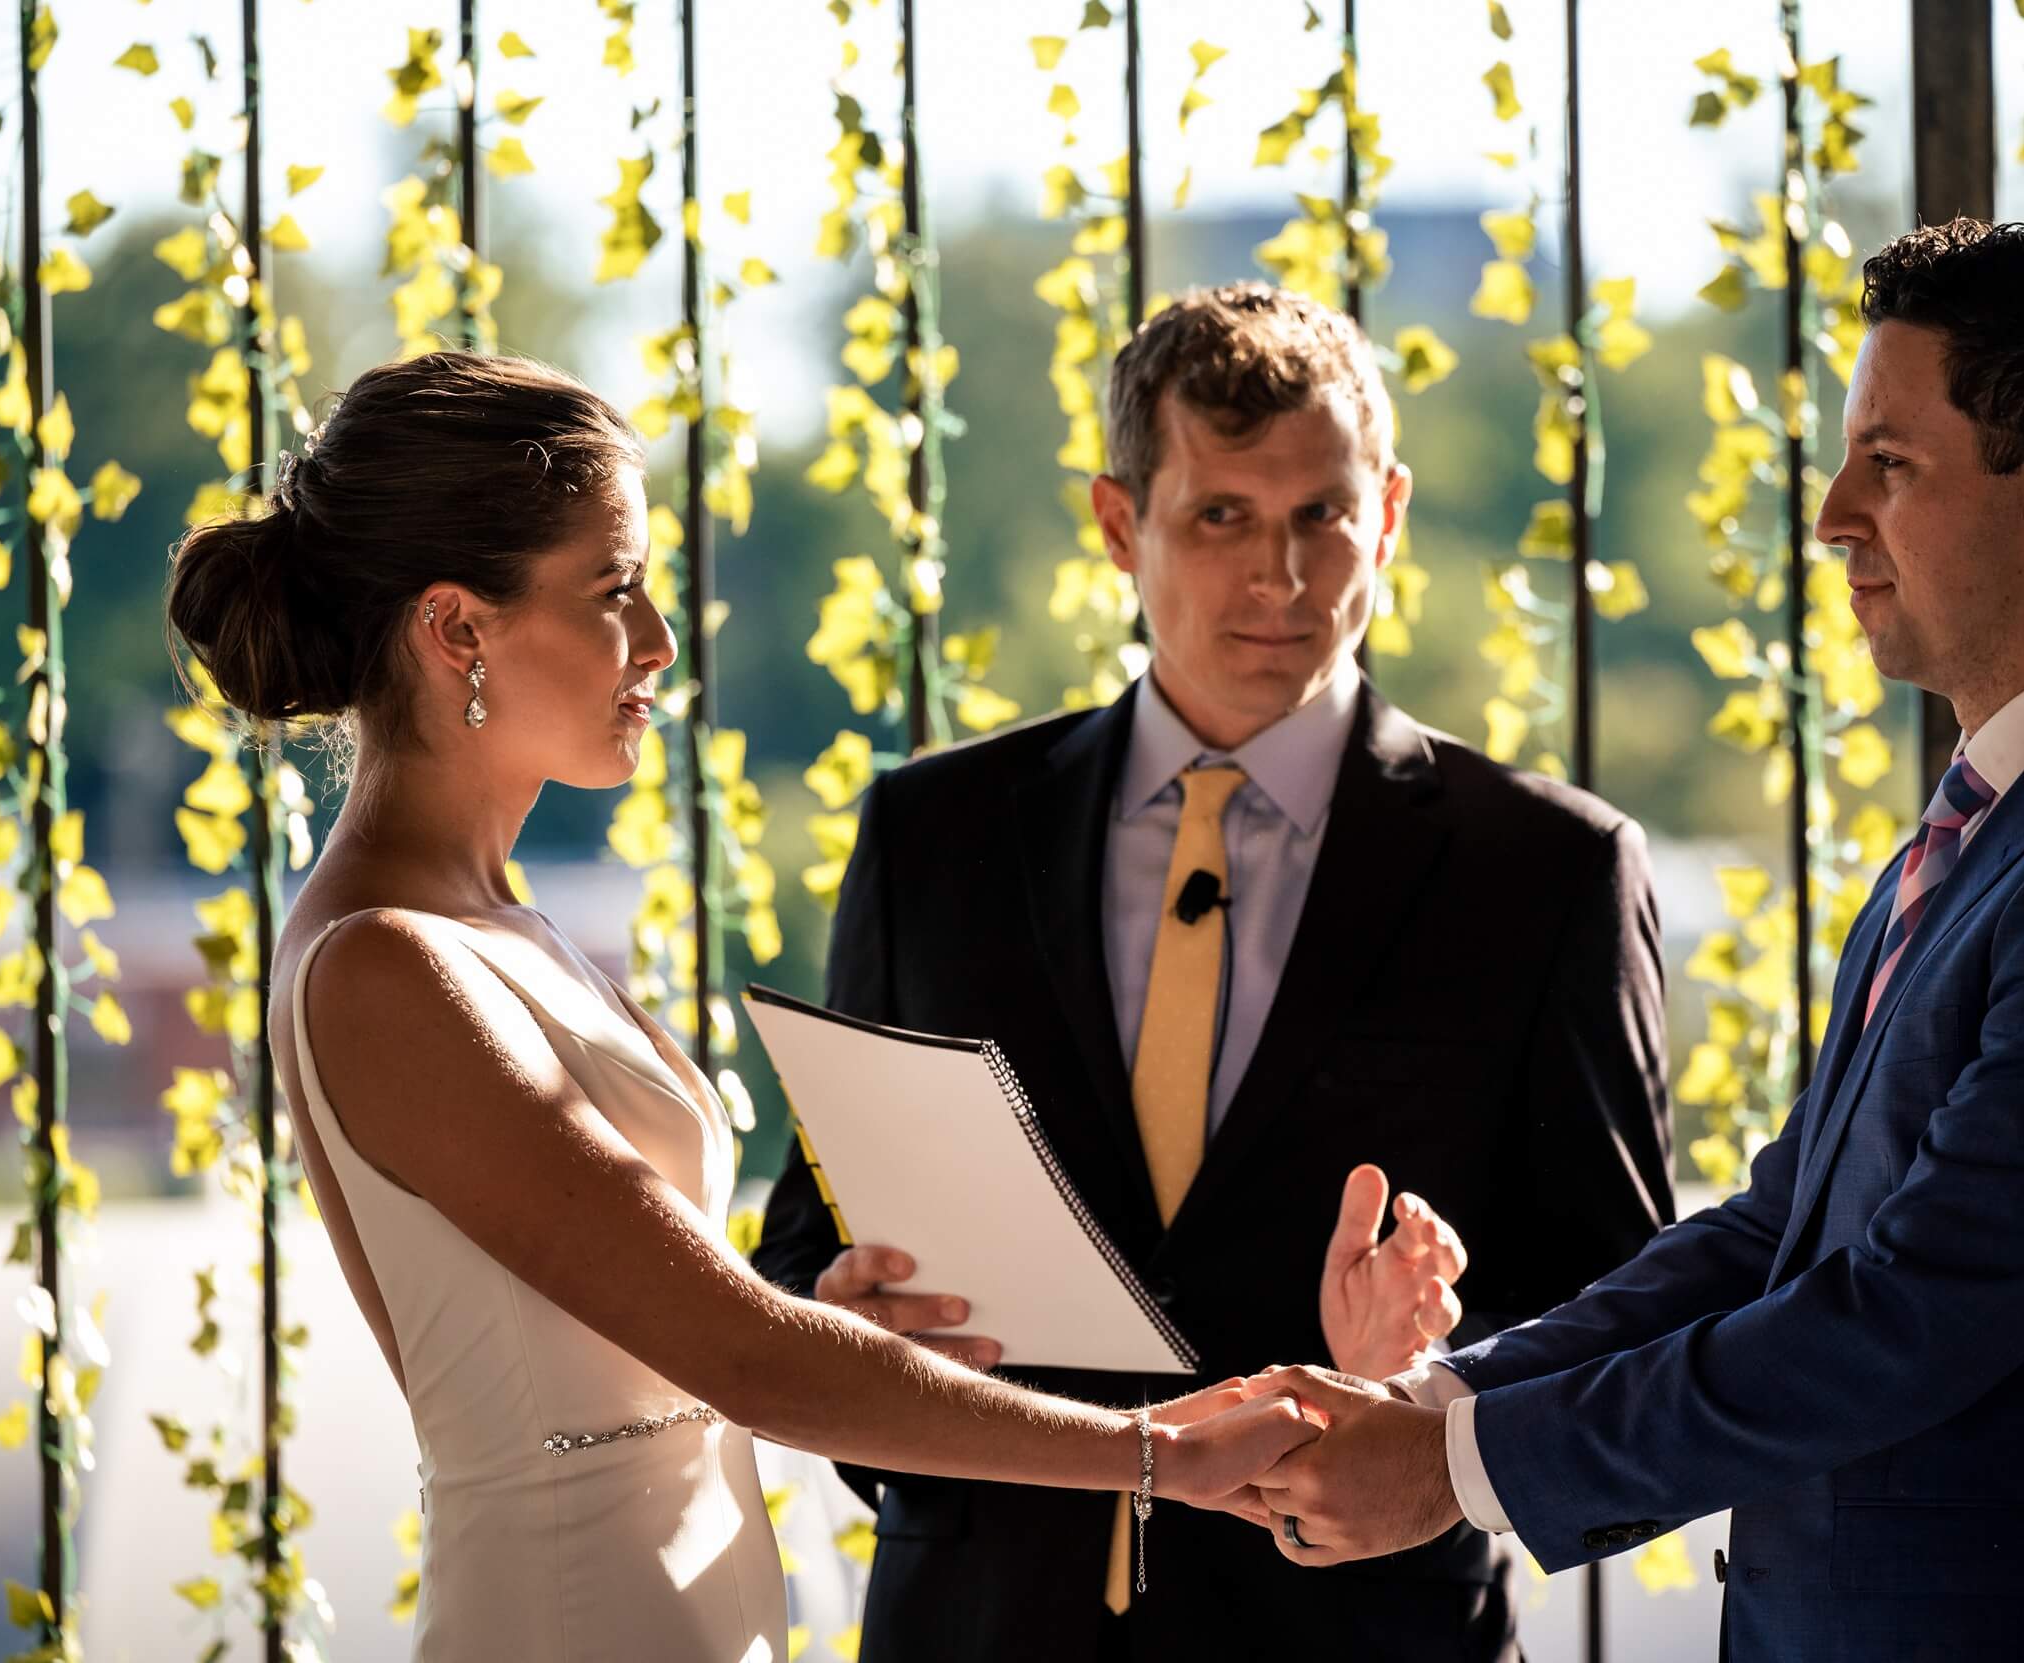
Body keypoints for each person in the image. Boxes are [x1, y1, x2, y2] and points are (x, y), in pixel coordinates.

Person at [1232, 219, 2024, 1663]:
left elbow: (1900, 1323)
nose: (1831, 513)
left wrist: (1456, 1471)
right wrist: (1438, 1402)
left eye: (1890, 463)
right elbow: (1782, 1242)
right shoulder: (2000, 832)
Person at [166, 350, 1317, 1663]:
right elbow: (747, 1361)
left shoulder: (504, 928)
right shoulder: (387, 964)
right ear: (458, 628)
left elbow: (679, 1334)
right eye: (614, 592)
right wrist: (1159, 1453)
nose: (661, 641)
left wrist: (831, 1318)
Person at [751, 280, 1676, 1662]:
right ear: (1120, 524)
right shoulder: (936, 835)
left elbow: (1629, 1325)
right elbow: (810, 1253)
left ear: (1393, 514)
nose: (1282, 579)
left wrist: (1433, 1371)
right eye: (1222, 517)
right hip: (985, 1622)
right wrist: (848, 1318)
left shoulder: (1547, 872)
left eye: (1322, 516)